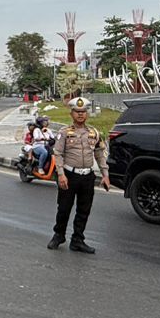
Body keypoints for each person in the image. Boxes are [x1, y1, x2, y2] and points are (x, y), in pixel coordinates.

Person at [47, 99, 110, 254]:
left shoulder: (93, 133)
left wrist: (105, 175)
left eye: (83, 112)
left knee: (84, 209)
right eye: (77, 112)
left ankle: (78, 240)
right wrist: (61, 175)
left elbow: (100, 154)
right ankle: (59, 235)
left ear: (86, 114)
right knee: (64, 208)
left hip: (87, 176)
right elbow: (58, 154)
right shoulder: (64, 133)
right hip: (69, 175)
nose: (80, 115)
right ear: (72, 113)